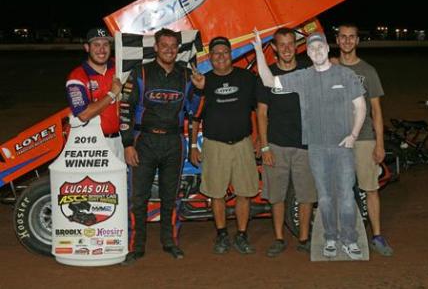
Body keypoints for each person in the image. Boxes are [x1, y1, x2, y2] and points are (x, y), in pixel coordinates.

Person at [253, 30, 367, 260]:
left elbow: (360, 106)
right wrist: (257, 50)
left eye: (320, 47)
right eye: (312, 48)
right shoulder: (303, 76)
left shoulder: (333, 73)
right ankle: (313, 238)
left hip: (326, 146)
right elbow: (267, 82)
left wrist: (353, 135)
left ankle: (341, 239)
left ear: (326, 48)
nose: (316, 51)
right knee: (310, 196)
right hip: (298, 145)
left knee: (335, 194)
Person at [119, 28, 201, 263]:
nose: (168, 50)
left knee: (171, 196)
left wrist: (200, 89)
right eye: (164, 45)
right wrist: (127, 144)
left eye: (173, 46)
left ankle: (170, 242)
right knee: (139, 197)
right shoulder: (141, 72)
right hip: (143, 142)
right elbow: (125, 109)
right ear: (155, 47)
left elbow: (196, 111)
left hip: (174, 142)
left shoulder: (186, 75)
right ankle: (137, 246)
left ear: (178, 49)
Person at [190, 36, 259, 255]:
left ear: (231, 55)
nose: (221, 56)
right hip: (214, 144)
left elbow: (258, 111)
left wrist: (259, 139)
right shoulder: (203, 80)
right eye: (216, 53)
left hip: (242, 143)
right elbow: (195, 117)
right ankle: (221, 234)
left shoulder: (248, 78)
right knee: (216, 193)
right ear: (210, 58)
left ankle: (241, 234)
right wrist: (193, 145)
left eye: (225, 52)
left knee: (244, 192)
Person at [256, 28, 316, 257]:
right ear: (274, 48)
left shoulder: (308, 73)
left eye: (291, 43)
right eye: (282, 44)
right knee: (277, 196)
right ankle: (279, 238)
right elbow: (261, 114)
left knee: (306, 194)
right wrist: (265, 147)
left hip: (305, 145)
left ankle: (303, 238)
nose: (287, 48)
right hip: (277, 145)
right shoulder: (266, 75)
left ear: (297, 45)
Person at [335, 23, 393, 256]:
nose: (347, 41)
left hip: (365, 138)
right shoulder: (329, 69)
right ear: (337, 40)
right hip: (337, 141)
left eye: (352, 37)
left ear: (357, 41)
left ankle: (377, 236)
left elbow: (377, 111)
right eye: (343, 37)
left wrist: (379, 143)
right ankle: (344, 235)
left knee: (370, 188)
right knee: (340, 190)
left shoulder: (368, 71)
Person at [66, 27, 123, 160]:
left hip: (121, 140)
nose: (102, 50)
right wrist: (112, 94)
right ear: (87, 47)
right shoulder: (77, 76)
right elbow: (83, 114)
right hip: (92, 143)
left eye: (105, 44)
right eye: (96, 45)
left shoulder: (118, 66)